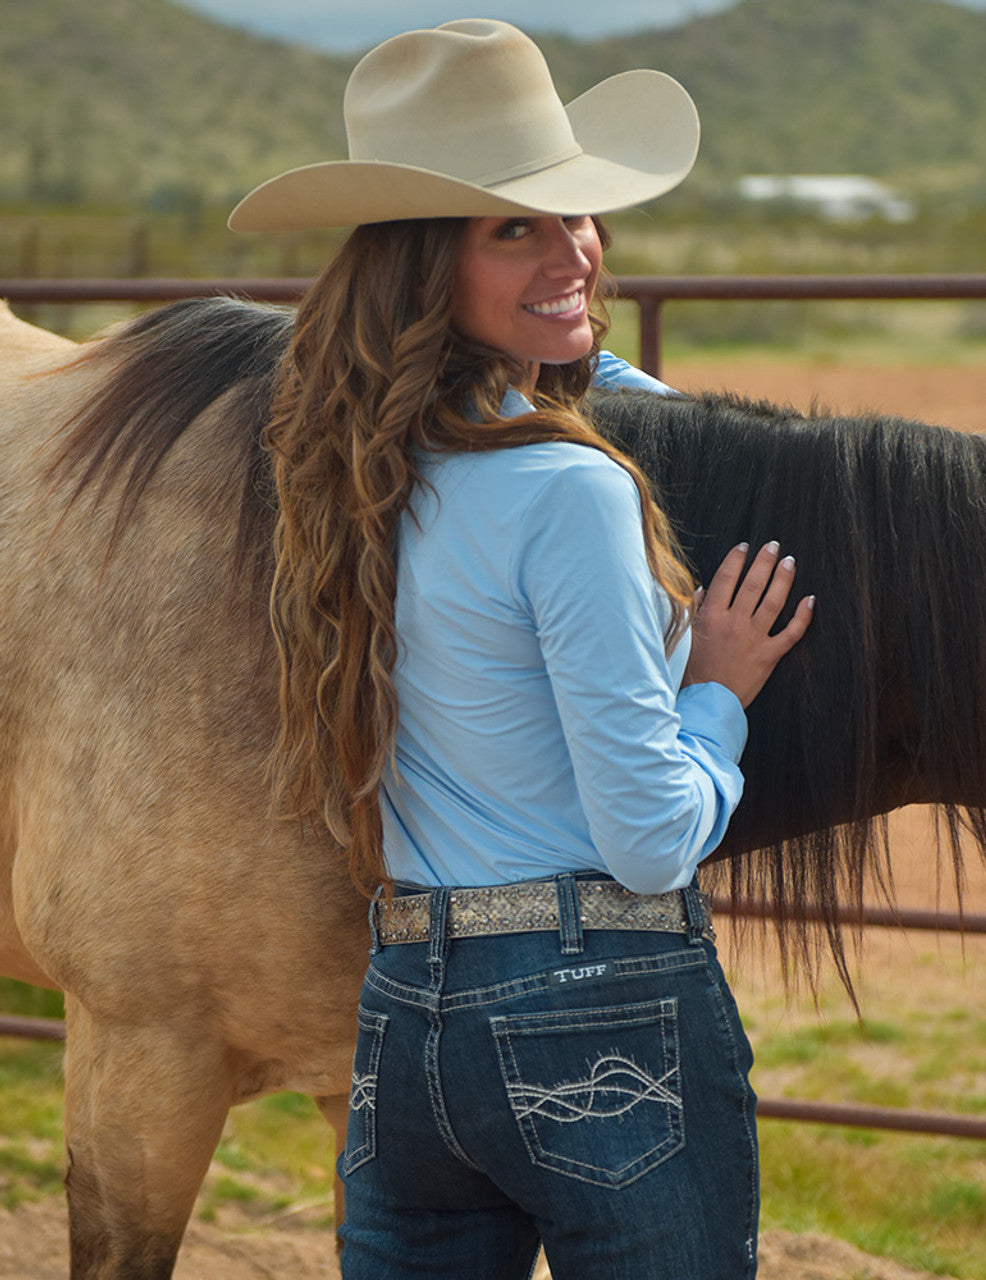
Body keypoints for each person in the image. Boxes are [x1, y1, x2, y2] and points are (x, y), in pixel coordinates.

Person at [229, 18, 814, 1279]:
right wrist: (715, 691)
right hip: (596, 997)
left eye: (577, 215)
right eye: (517, 228)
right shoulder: (567, 492)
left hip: (405, 1014)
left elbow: (566, 365)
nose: (576, 251)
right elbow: (649, 833)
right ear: (422, 263)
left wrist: (580, 355)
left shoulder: (345, 464)